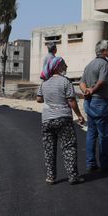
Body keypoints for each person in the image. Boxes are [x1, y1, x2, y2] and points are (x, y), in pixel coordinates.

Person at [36, 56, 85, 185]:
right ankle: (73, 176)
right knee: (68, 146)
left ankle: (50, 177)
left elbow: (39, 99)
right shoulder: (65, 82)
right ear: (57, 67)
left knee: (49, 149)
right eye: (64, 65)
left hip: (47, 120)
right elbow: (71, 100)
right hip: (63, 119)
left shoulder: (44, 83)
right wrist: (79, 115)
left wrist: (49, 98)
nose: (66, 67)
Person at [80, 40, 108, 172]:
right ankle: (105, 164)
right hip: (100, 103)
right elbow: (102, 82)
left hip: (89, 103)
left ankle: (90, 163)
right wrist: (92, 90)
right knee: (104, 135)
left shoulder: (89, 65)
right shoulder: (103, 64)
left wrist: (86, 91)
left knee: (91, 133)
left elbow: (81, 83)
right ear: (104, 51)